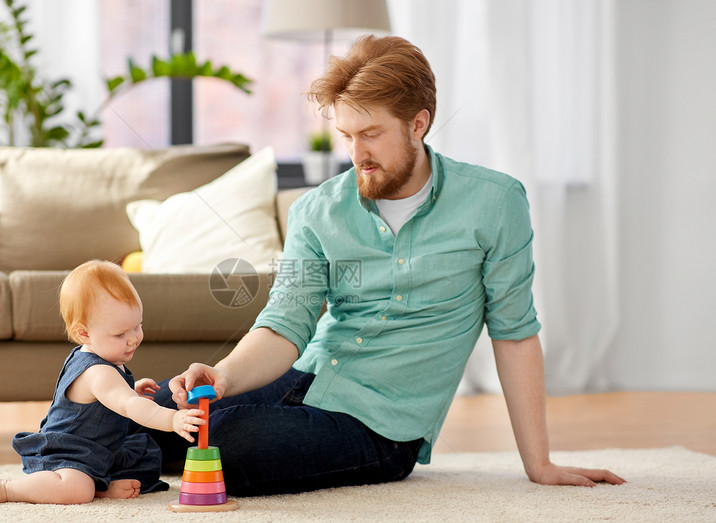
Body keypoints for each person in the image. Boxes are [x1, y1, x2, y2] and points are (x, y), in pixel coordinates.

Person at [143, 35, 626, 496]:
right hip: (305, 378)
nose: (356, 155)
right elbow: (285, 322)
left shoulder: (495, 203)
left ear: (419, 124)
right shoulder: (316, 210)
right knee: (152, 410)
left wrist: (538, 463)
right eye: (346, 135)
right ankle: (106, 457)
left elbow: (514, 331)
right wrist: (223, 376)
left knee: (228, 441)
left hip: (382, 427)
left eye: (371, 134)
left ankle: (127, 456)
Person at [0, 260, 204, 506]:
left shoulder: (107, 356)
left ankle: (100, 484)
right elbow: (128, 406)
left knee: (146, 461)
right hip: (67, 453)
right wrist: (171, 419)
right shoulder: (96, 371)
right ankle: (10, 489)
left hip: (103, 450)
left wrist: (131, 388)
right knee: (76, 490)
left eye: (138, 325)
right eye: (120, 334)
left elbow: (106, 398)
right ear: (84, 333)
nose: (133, 339)